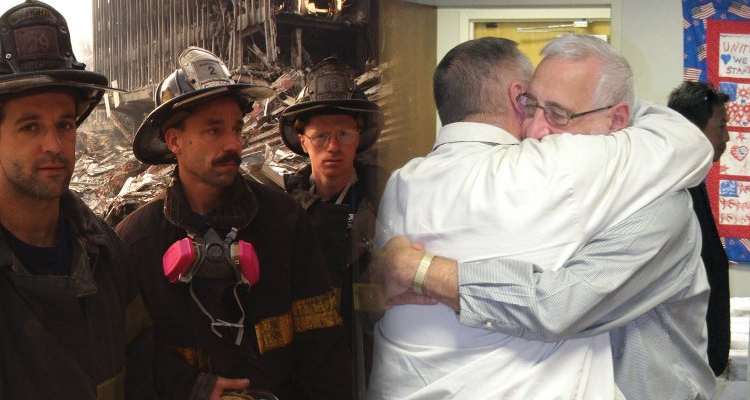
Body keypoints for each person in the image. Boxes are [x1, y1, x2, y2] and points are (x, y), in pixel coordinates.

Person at [369, 35, 713, 399]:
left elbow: (554, 307)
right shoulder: (549, 187)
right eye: (531, 106)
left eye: (558, 114)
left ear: (617, 120)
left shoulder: (659, 206)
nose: (534, 129)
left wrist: (418, 269)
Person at [0, 1, 153, 398]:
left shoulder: (107, 253)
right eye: (30, 126)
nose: (54, 145)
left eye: (65, 124)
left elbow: (142, 371)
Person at [115, 46, 352, 399]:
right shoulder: (137, 244)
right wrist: (189, 387)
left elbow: (324, 350)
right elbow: (125, 353)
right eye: (213, 131)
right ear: (174, 141)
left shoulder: (286, 223)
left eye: (236, 128)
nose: (232, 144)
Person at [278, 57, 380, 399]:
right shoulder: (283, 209)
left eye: (343, 134)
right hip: (305, 370)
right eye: (321, 136)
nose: (333, 147)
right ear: (303, 141)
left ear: (359, 137)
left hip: (372, 359)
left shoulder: (387, 199)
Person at [668, 80, 732, 376]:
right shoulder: (674, 187)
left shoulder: (694, 179)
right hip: (679, 360)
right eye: (721, 126)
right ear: (694, 129)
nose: (727, 137)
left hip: (697, 357)